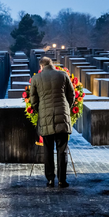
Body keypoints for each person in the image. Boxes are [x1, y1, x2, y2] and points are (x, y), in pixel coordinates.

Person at [30, 56, 75, 188]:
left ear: (41, 66)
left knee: (48, 150)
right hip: (62, 117)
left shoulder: (36, 78)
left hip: (46, 118)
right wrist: (66, 108)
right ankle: (62, 180)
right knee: (62, 150)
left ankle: (50, 179)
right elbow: (71, 94)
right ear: (52, 64)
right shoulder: (63, 75)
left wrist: (40, 111)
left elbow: (33, 99)